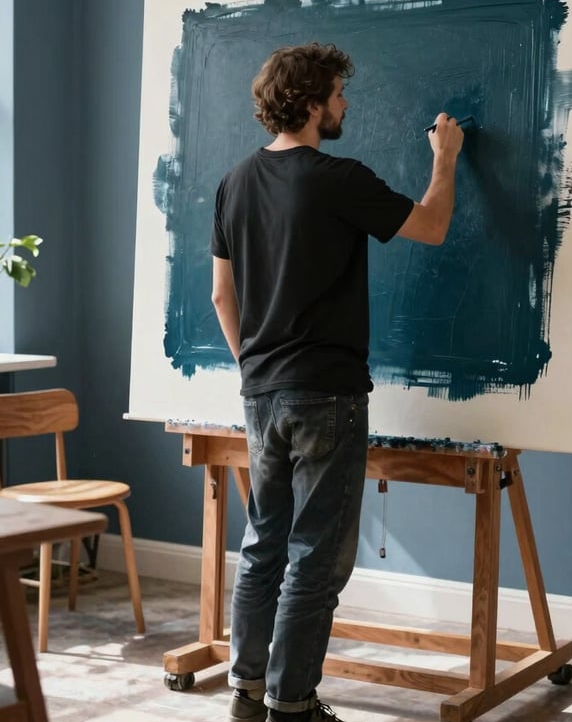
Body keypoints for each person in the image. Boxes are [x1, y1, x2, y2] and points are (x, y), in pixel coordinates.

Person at [211, 43, 464, 722]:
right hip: (325, 390)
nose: (345, 104)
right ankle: (292, 704)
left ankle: (247, 691)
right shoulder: (338, 178)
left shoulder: (233, 182)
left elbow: (221, 296)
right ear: (310, 103)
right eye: (337, 94)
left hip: (261, 392)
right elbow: (433, 225)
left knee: (263, 545)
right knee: (315, 557)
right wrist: (445, 159)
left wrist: (255, 368)